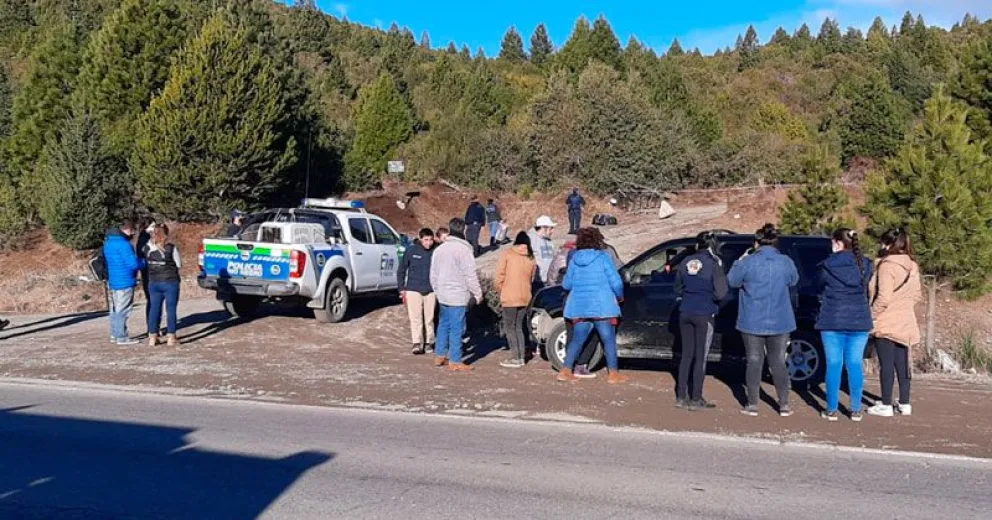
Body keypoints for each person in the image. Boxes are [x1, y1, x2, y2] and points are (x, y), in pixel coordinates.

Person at [728, 224, 799, 417]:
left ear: (755, 242)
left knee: (754, 360)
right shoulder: (785, 262)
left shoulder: (748, 262)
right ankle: (784, 404)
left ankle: (752, 404)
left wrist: (739, 260)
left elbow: (732, 281)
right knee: (778, 361)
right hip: (780, 319)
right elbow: (794, 280)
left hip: (752, 318)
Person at [817, 228, 873, 422]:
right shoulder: (865, 265)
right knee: (855, 364)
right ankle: (855, 409)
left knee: (834, 364)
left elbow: (819, 284)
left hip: (833, 318)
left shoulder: (828, 265)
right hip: (859, 320)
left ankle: (831, 409)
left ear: (838, 243)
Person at [557, 228, 627, 384]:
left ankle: (565, 370)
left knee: (577, 340)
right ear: (598, 240)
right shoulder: (604, 257)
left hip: (579, 306)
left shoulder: (574, 258)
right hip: (602, 306)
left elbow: (566, 284)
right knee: (608, 340)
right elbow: (616, 282)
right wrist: (619, 297)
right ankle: (613, 374)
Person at [867, 228, 922, 418]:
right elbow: (917, 295)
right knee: (902, 362)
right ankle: (905, 402)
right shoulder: (913, 266)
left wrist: (871, 315)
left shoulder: (887, 266)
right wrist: (903, 306)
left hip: (886, 320)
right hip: (906, 319)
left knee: (886, 363)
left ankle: (886, 403)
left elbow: (883, 298)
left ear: (888, 244)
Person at [674, 232, 729, 411]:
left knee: (686, 355)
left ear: (698, 245)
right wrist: (710, 298)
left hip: (685, 311)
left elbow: (677, 288)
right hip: (704, 312)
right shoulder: (714, 264)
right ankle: (696, 398)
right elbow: (721, 292)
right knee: (700, 357)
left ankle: (681, 396)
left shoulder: (685, 262)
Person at [430, 218, 483, 371]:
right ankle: (455, 360)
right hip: (458, 294)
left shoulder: (439, 249)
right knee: (457, 327)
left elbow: (433, 273)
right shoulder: (464, 250)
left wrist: (437, 290)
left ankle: (439, 355)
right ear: (463, 230)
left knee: (443, 324)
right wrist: (477, 293)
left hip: (443, 293)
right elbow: (470, 274)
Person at [495, 231, 537, 369]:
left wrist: (501, 289)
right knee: (518, 326)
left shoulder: (507, 253)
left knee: (509, 327)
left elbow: (500, 275)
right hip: (525, 296)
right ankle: (521, 356)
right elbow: (531, 278)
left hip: (509, 295)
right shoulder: (531, 258)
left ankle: (515, 357)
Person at [104, 219, 145, 346]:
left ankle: (114, 334)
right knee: (123, 310)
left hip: (113, 280)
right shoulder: (124, 244)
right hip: (125, 280)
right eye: (132, 230)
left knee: (115, 309)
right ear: (127, 230)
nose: (132, 233)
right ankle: (121, 336)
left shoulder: (108, 242)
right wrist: (144, 262)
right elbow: (132, 264)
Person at [398, 228, 437, 355]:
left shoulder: (436, 251)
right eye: (426, 240)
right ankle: (416, 343)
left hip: (431, 289)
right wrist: (401, 288)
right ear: (420, 239)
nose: (428, 243)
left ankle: (429, 343)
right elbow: (402, 270)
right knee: (415, 317)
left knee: (429, 318)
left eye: (431, 240)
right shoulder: (411, 250)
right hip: (413, 289)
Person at [143, 224, 183, 347]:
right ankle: (171, 336)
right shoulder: (170, 248)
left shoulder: (147, 248)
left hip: (154, 282)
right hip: (170, 281)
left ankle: (152, 336)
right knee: (171, 309)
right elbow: (179, 264)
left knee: (154, 309)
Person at [528, 216, 558, 285]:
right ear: (543, 228)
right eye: (551, 228)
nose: (552, 231)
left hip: (548, 280)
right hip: (536, 282)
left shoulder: (549, 241)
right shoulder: (530, 239)